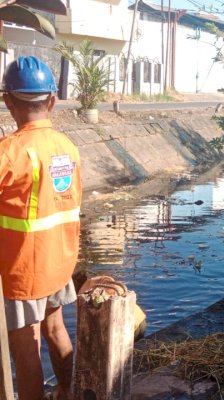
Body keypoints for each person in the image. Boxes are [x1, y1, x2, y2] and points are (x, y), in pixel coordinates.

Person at [0, 56, 82, 400]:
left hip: (23, 271)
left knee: (26, 350)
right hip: (60, 262)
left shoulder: (9, 152)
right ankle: (66, 390)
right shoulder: (67, 147)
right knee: (56, 328)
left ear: (7, 101)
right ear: (52, 100)